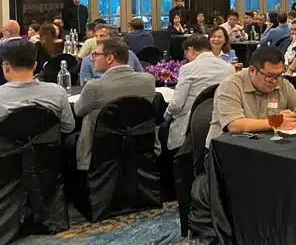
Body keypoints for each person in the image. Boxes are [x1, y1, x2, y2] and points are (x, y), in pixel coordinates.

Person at [73, 37, 156, 169]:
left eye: (95, 54)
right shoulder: (149, 81)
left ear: (110, 58)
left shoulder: (94, 87)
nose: (92, 59)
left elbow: (78, 111)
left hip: (102, 150)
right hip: (141, 147)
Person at [206, 45, 296, 147]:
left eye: (279, 75)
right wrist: (277, 121)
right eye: (269, 76)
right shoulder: (230, 85)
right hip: (225, 148)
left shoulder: (282, 83)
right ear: (252, 70)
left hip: (265, 144)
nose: (275, 81)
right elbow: (234, 125)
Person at [163, 34, 234, 151]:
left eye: (185, 54)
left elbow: (176, 105)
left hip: (189, 128)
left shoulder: (188, 68)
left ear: (191, 49)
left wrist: (166, 116)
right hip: (219, 124)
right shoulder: (229, 68)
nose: (186, 58)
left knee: (162, 129)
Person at [0, 39, 75, 134]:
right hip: (50, 143)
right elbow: (68, 127)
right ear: (35, 65)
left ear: (6, 67)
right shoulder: (58, 92)